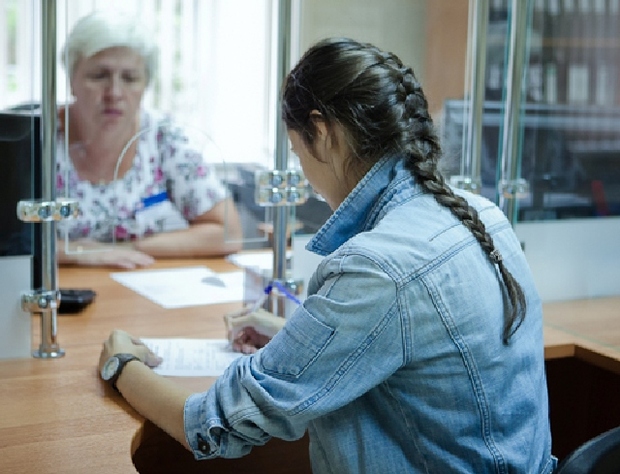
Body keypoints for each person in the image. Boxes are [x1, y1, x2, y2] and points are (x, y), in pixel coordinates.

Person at [99, 38, 557, 473]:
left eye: (298, 153)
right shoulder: (484, 214)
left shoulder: (377, 268)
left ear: (321, 132)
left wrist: (122, 365)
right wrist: (293, 335)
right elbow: (414, 349)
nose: (304, 174)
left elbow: (216, 425)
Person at [56, 10, 242, 269]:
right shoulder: (34, 139)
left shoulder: (165, 139)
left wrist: (121, 250)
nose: (115, 92)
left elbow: (228, 233)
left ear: (145, 85)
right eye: (99, 76)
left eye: (130, 78)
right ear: (71, 79)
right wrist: (74, 253)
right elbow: (10, 244)